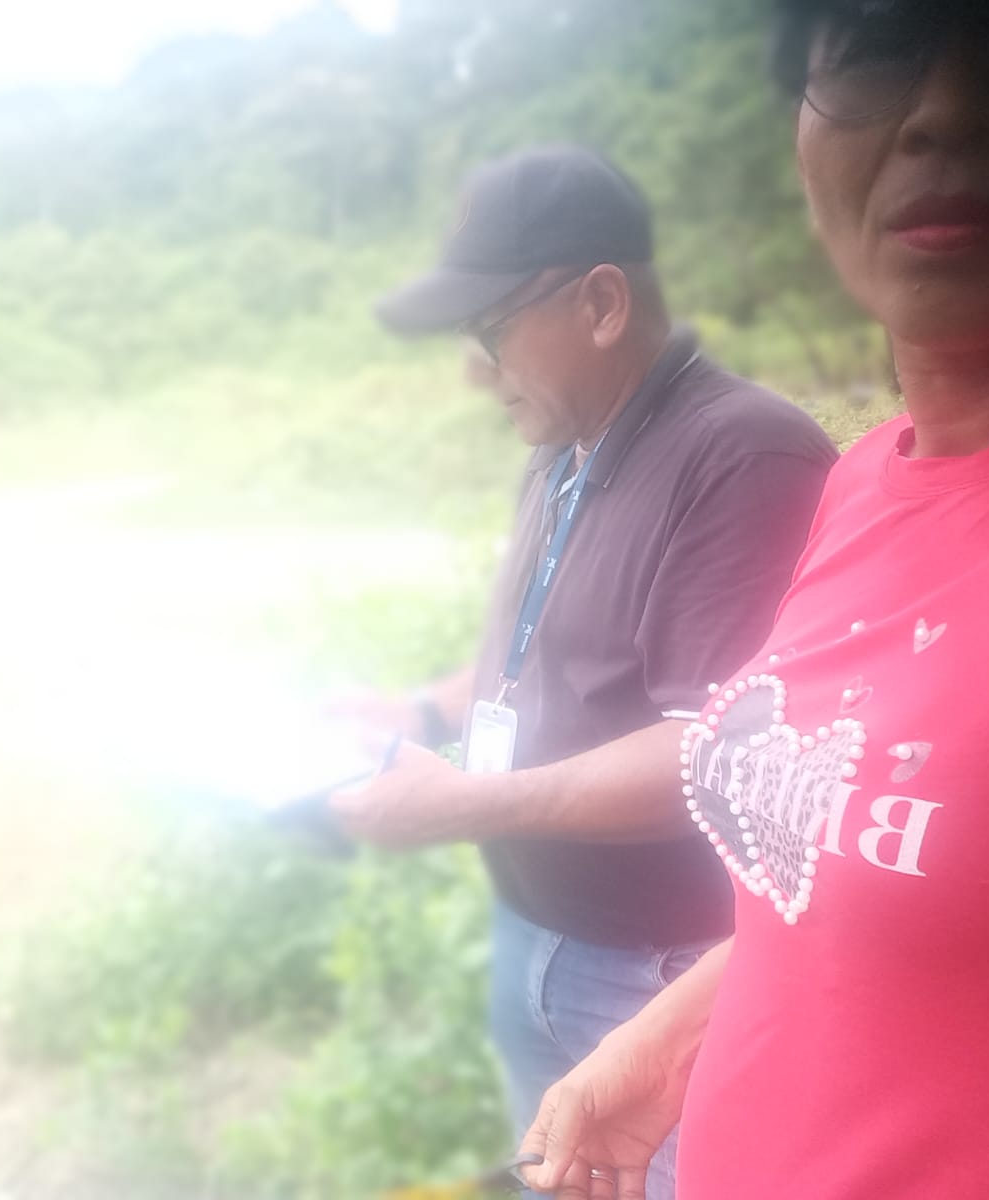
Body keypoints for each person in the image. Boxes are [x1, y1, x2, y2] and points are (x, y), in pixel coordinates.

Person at [517, 3, 989, 1198]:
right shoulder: (866, 478)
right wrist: (662, 1045)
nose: (945, 109)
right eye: (877, 42)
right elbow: (904, 873)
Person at [329, 144, 837, 1198]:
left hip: (659, 976)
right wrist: (417, 709)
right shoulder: (561, 450)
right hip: (536, 935)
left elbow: (718, 753)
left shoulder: (743, 456)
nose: (475, 373)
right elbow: (537, 658)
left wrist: (469, 801)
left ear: (601, 304)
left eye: (489, 332)